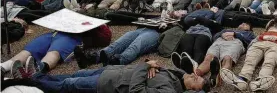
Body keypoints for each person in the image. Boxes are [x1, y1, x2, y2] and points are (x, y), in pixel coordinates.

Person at [19, 60, 209, 93]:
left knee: (69, 84)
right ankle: (39, 76)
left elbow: (137, 90)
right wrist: (150, 65)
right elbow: (152, 65)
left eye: (195, 83)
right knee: (74, 75)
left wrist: (145, 68)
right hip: (113, 72)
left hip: (110, 84)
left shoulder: (169, 90)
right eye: (196, 77)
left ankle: (29, 80)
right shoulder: (176, 75)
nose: (193, 78)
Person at [220, 19, 277, 92]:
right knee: (249, 61)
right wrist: (259, 39)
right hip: (258, 45)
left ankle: (261, 81)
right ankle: (242, 80)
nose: (273, 27)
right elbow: (250, 44)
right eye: (271, 26)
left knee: (269, 62)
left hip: (275, 46)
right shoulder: (262, 34)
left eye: (275, 26)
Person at [181, 22, 255, 87]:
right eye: (242, 23)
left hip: (235, 42)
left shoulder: (250, 33)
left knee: (227, 59)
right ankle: (196, 75)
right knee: (208, 58)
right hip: (219, 41)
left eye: (245, 24)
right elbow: (215, 36)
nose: (243, 24)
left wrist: (235, 34)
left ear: (249, 29)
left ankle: (218, 78)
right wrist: (222, 34)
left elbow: (252, 42)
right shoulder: (227, 30)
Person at [74, 28, 159, 68]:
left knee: (135, 46)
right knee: (118, 44)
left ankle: (117, 61)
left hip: (158, 33)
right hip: (144, 27)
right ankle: (93, 58)